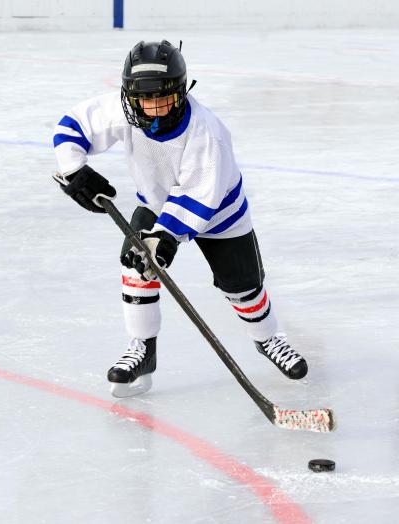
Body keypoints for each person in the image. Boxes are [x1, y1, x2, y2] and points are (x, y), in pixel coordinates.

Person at [53, 40, 307, 398]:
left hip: (220, 214)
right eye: (145, 99)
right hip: (156, 203)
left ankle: (268, 339)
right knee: (135, 266)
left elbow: (199, 197)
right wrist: (74, 169)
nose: (154, 109)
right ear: (129, 95)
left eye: (163, 98)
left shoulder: (207, 132)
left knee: (243, 287)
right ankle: (142, 350)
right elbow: (71, 127)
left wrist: (164, 237)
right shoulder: (122, 110)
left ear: (181, 92)